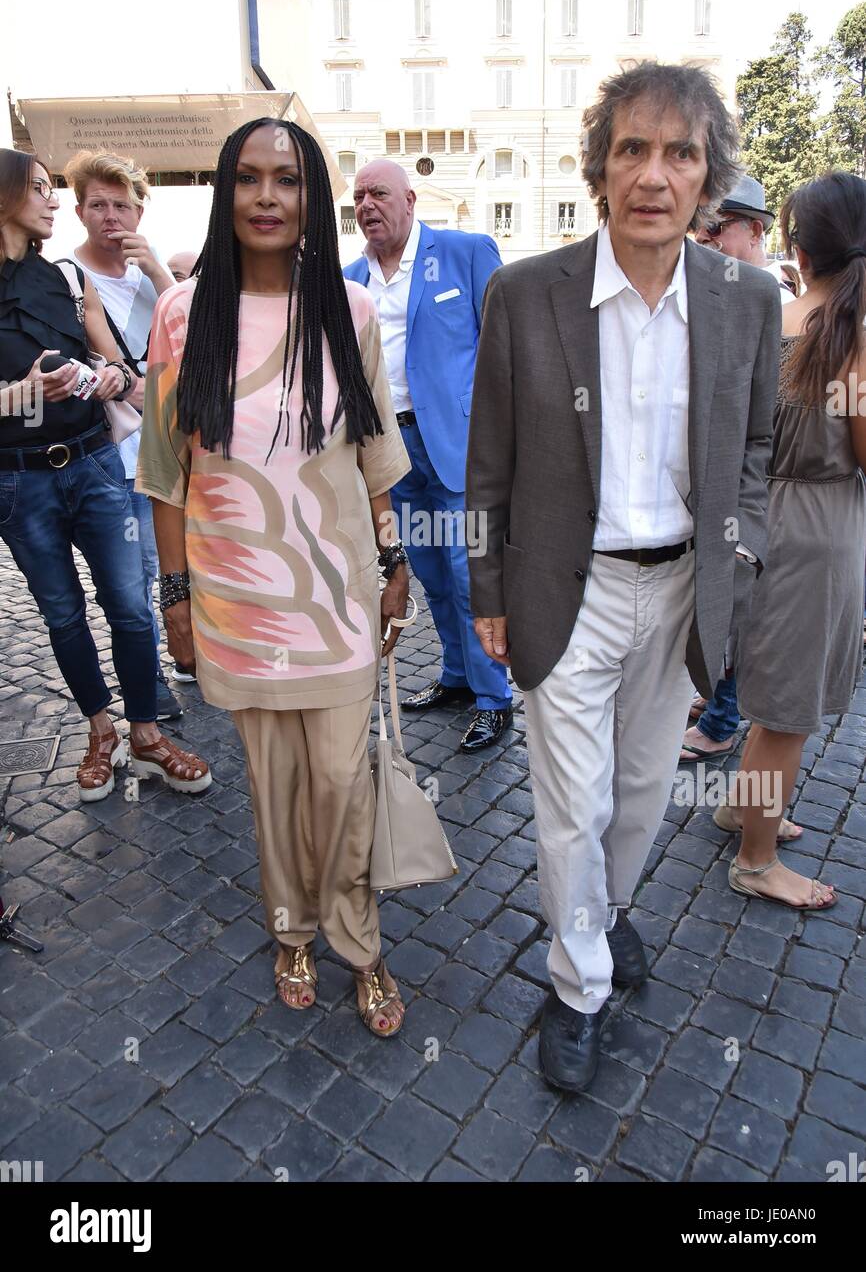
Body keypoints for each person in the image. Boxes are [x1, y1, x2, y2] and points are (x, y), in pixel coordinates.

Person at [466, 62, 780, 1092]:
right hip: (570, 585)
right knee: (569, 802)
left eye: (678, 152)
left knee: (642, 790)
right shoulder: (525, 292)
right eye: (631, 148)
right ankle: (576, 981)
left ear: (707, 178)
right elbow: (488, 459)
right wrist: (488, 593)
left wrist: (739, 555)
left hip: (688, 584)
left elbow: (755, 448)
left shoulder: (746, 298)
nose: (652, 173)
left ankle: (600, 911)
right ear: (599, 166)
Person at [137, 118, 412, 1036]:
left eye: (286, 180)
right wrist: (174, 598)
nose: (266, 197)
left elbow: (373, 452)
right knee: (274, 786)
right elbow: (166, 474)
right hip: (234, 597)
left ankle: (358, 940)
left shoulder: (351, 309)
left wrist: (398, 559)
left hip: (336, 593)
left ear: (311, 198)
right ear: (226, 194)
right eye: (248, 179)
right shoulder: (184, 314)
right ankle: (291, 930)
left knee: (343, 779)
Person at [0, 149, 211, 801]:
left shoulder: (65, 276)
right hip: (18, 481)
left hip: (93, 463)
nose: (53, 201)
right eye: (40, 189)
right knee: (62, 614)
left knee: (128, 605)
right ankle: (101, 732)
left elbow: (117, 363)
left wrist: (108, 377)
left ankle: (146, 735)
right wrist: (24, 394)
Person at [727, 171, 866, 911]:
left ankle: (742, 807)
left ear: (798, 248)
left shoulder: (775, 321)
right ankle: (754, 858)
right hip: (819, 531)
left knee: (770, 691)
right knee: (786, 712)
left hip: (764, 519)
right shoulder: (851, 339)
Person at [343, 159, 513, 752]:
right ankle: (458, 677)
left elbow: (505, 346)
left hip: (459, 447)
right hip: (391, 452)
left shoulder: (465, 252)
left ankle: (496, 698)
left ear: (410, 200)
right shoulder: (347, 279)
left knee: (473, 576)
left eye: (380, 193)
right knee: (433, 575)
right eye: (359, 195)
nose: (367, 205)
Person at [65, 149, 181, 720]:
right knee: (132, 578)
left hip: (175, 444)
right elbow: (95, 368)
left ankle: (184, 649)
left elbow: (197, 332)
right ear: (80, 210)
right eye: (98, 205)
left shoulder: (151, 275)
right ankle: (148, 681)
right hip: (116, 450)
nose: (111, 217)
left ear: (139, 213)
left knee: (182, 559)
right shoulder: (68, 275)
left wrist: (160, 272)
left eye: (123, 206)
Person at [682, 174, 783, 766]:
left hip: (752, 499)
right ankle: (712, 699)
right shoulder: (710, 290)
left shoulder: (762, 298)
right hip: (709, 494)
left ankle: (722, 718)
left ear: (756, 230)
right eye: (705, 227)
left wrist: (749, 529)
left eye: (721, 228)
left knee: (742, 616)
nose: (708, 238)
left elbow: (762, 425)